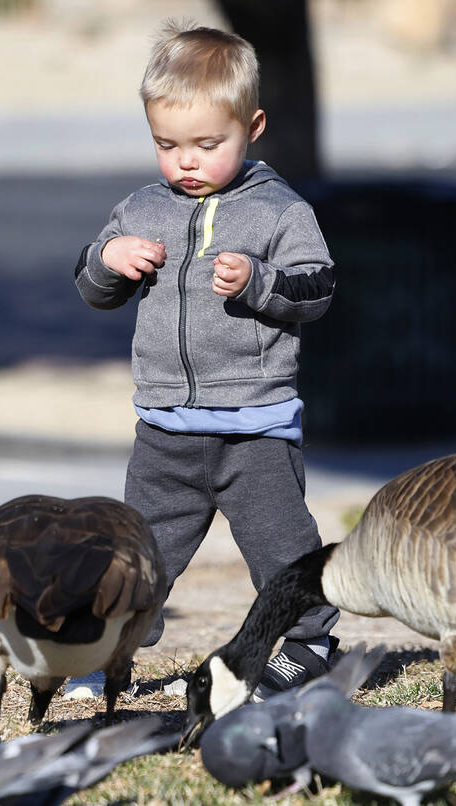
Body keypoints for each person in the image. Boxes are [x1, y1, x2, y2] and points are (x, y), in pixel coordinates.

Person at [69, 20, 339, 701]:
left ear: (252, 127)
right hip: (165, 431)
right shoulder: (140, 209)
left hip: (255, 431)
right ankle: (107, 656)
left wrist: (258, 279)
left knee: (284, 553)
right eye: (167, 145)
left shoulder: (280, 211)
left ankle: (310, 642)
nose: (185, 161)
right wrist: (109, 261)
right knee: (138, 560)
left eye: (206, 144)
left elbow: (318, 288)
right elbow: (90, 285)